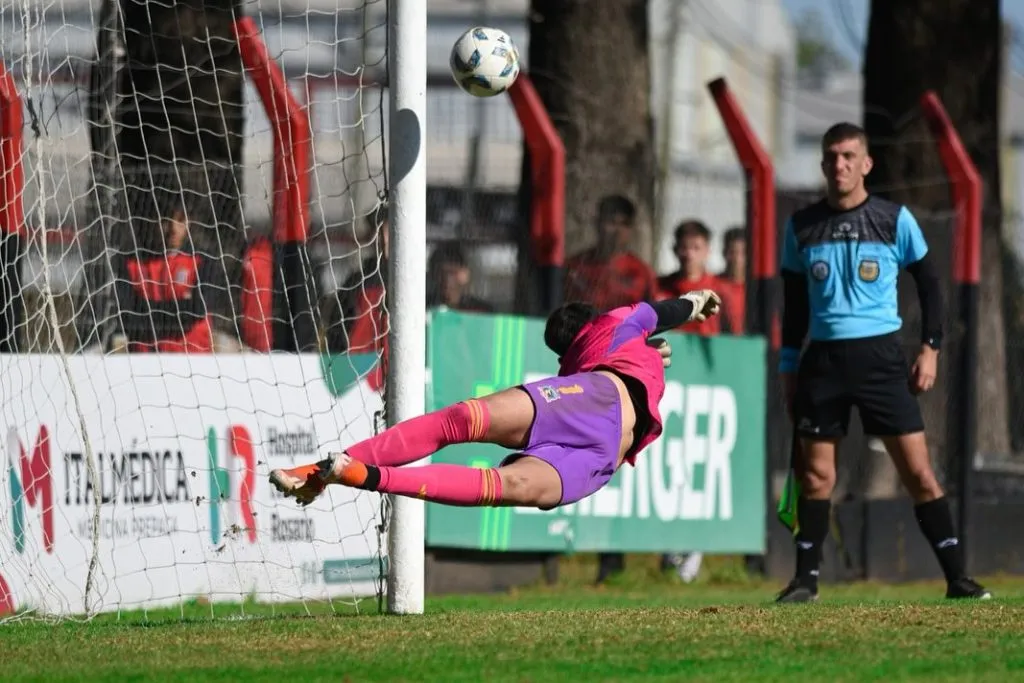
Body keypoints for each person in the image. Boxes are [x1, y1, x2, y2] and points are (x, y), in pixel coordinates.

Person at [776, 121, 990, 602]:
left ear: (867, 164)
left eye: (849, 156)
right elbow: (793, 306)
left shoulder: (895, 219)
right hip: (823, 363)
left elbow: (931, 286)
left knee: (918, 473)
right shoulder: (802, 226)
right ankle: (804, 581)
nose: (840, 164)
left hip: (881, 359)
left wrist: (929, 348)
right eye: (832, 156)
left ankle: (957, 578)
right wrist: (789, 368)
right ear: (823, 163)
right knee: (816, 476)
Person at [269, 290, 723, 512]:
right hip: (602, 450)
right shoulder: (618, 325)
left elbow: (654, 325)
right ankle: (363, 477)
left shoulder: (598, 351)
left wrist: (669, 327)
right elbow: (661, 311)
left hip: (590, 409)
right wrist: (695, 302)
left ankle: (322, 470)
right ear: (592, 322)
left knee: (460, 422)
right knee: (501, 487)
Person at [113, 200, 216, 353]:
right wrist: (179, 308)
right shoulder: (132, 264)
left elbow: (196, 310)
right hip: (143, 361)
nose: (173, 229)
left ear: (189, 223)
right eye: (166, 221)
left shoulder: (201, 261)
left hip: (192, 361)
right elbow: (127, 317)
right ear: (152, 222)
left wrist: (146, 309)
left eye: (180, 220)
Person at [564, 195, 658, 311]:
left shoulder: (643, 273)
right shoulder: (574, 267)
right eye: (611, 222)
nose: (618, 230)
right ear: (598, 224)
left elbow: (652, 317)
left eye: (624, 224)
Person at [657, 220, 722, 337]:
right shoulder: (659, 287)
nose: (689, 254)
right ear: (675, 249)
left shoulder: (720, 290)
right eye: (684, 247)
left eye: (696, 248)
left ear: (707, 251)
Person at [426, 241, 494, 313]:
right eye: (441, 272)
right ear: (432, 275)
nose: (447, 279)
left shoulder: (480, 312)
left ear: (465, 274)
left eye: (453, 272)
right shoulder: (422, 307)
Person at [717, 227, 746, 335]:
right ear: (724, 253)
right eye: (732, 252)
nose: (737, 259)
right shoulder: (713, 286)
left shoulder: (756, 289)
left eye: (743, 253)